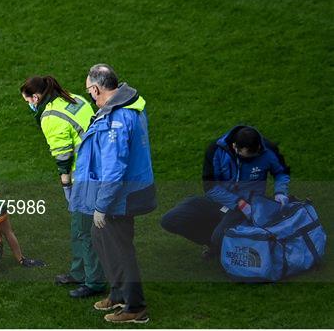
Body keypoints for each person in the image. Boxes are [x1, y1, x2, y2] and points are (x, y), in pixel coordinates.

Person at [70, 64, 157, 323]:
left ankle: (135, 307)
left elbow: (113, 169)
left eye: (89, 92)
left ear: (96, 89)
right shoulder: (129, 107)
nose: (90, 96)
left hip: (119, 196)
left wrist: (101, 206)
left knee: (119, 248)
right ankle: (119, 294)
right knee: (102, 238)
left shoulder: (115, 120)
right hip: (130, 190)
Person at [20, 76, 104, 298]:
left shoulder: (50, 116)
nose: (28, 105)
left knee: (85, 230)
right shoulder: (73, 98)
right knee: (79, 228)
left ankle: (94, 282)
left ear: (36, 97)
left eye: (27, 100)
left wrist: (66, 185)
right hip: (99, 168)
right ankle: (78, 272)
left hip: (86, 177)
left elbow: (63, 156)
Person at [161, 125, 291, 257]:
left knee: (218, 238)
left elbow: (281, 172)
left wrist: (280, 192)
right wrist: (239, 202)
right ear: (235, 147)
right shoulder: (215, 150)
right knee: (170, 220)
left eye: (255, 156)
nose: (251, 159)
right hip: (221, 201)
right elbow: (210, 188)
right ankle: (216, 244)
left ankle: (220, 245)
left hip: (248, 208)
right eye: (247, 157)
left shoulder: (267, 149)